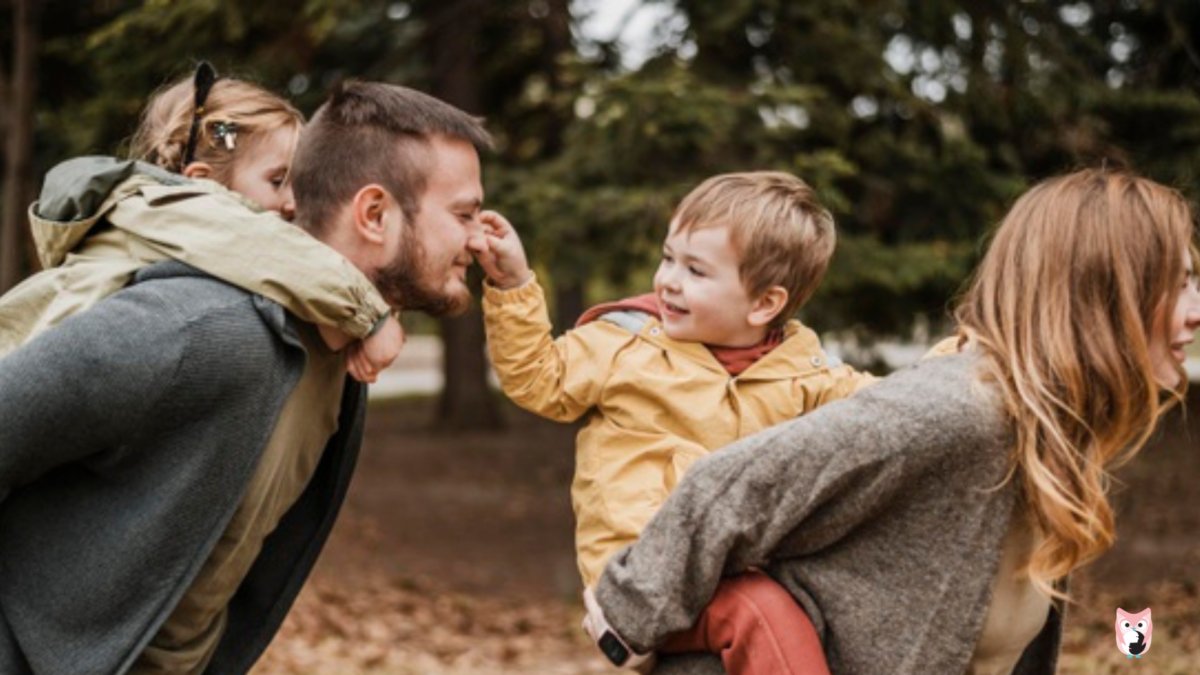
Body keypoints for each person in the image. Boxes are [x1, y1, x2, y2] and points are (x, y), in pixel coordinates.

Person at [580, 168, 1200, 675]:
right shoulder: (962, 410)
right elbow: (732, 483)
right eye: (1178, 284)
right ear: (1101, 295)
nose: (1195, 310)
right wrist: (628, 614)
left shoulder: (1045, 428)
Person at [0, 81, 493, 674]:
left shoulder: (342, 357)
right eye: (463, 213)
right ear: (374, 213)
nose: (478, 237)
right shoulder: (205, 330)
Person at [475, 172, 875, 674]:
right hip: (644, 574)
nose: (668, 280)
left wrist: (963, 360)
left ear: (764, 303)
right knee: (760, 612)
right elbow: (539, 377)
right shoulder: (627, 344)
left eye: (696, 270)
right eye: (669, 258)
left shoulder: (804, 373)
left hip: (736, 567)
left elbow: (888, 407)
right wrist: (513, 284)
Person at [0, 62, 402, 381]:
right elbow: (267, 249)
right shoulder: (179, 213)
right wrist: (369, 315)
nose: (294, 201)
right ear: (200, 184)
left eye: (299, 182)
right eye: (277, 180)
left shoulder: (194, 239)